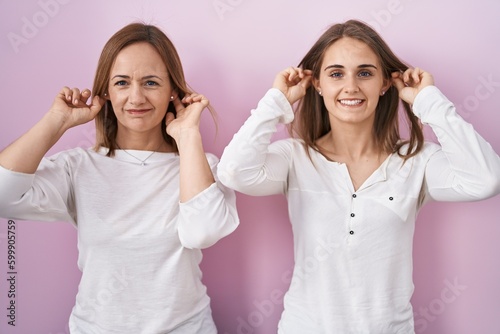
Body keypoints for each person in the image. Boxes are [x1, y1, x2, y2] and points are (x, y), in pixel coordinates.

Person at [217, 19, 500, 333]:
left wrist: (428, 101)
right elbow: (234, 172)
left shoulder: (416, 160)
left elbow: (486, 179)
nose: (351, 86)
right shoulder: (295, 157)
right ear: (318, 84)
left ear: (384, 83)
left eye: (364, 73)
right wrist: (276, 100)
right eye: (336, 73)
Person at [0, 23, 239, 333]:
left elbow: (202, 233)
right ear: (107, 92)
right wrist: (57, 121)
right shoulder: (79, 167)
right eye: (122, 82)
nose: (135, 97)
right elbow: (4, 197)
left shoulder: (201, 166)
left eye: (151, 82)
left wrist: (188, 135)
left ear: (172, 92)